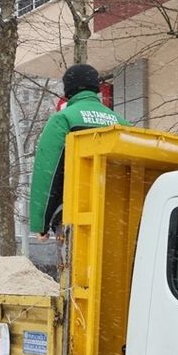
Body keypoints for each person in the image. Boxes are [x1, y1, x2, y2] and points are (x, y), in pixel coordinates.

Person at [28, 64, 129, 241]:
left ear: (67, 90)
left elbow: (47, 173)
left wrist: (41, 224)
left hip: (74, 218)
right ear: (96, 87)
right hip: (116, 219)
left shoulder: (63, 119)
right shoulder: (122, 123)